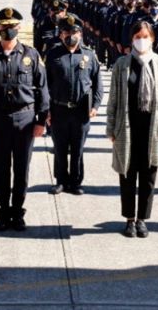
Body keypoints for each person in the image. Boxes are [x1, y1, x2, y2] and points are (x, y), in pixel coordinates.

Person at [0, 7, 49, 232]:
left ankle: (18, 212)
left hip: (25, 119)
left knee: (22, 168)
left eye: (12, 27)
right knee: (1, 168)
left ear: (19, 28)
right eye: (4, 27)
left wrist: (41, 120)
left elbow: (42, 90)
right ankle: (3, 211)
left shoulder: (31, 55)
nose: (8, 31)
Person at [106, 21, 158, 238]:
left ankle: (142, 219)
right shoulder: (122, 64)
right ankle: (129, 219)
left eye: (145, 36)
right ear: (131, 39)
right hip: (127, 126)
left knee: (148, 174)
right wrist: (111, 127)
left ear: (152, 38)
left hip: (153, 127)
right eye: (137, 36)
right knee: (127, 173)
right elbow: (114, 99)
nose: (141, 40)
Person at [45, 13, 102, 195]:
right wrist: (45, 110)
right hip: (58, 109)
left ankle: (76, 182)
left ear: (80, 34)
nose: (71, 36)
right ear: (61, 34)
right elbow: (44, 84)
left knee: (78, 149)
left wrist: (95, 106)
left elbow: (98, 83)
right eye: (66, 32)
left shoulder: (89, 55)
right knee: (60, 148)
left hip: (81, 110)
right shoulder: (53, 54)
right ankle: (61, 181)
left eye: (74, 32)